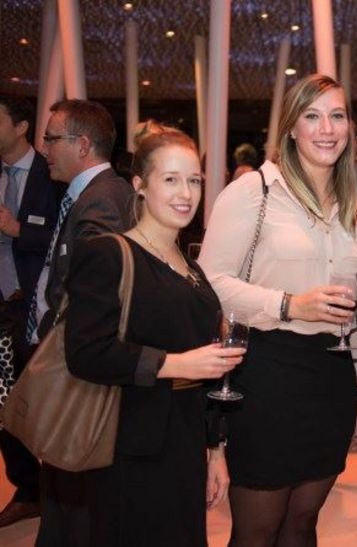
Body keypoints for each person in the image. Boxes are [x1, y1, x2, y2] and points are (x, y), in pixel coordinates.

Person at [198, 74, 357, 546]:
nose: (327, 129)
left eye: (337, 116)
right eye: (312, 116)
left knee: (302, 525)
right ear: (291, 128)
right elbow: (209, 284)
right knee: (257, 530)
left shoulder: (351, 208)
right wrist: (289, 304)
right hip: (266, 376)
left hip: (331, 378)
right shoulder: (254, 191)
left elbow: (351, 310)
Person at [63, 128, 245, 546]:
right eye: (171, 179)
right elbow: (86, 352)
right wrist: (175, 364)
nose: (186, 193)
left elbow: (210, 366)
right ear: (140, 185)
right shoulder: (109, 253)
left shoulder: (190, 266)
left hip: (185, 439)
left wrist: (215, 449)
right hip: (127, 445)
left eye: (194, 180)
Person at [31, 99, 135, 546]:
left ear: (83, 144)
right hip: (70, 352)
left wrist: (51, 329)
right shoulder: (94, 193)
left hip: (75, 359)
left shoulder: (102, 200)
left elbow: (92, 290)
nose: (44, 148)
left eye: (51, 138)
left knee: (73, 488)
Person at [0, 95, 61, 528]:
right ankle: (28, 487)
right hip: (0, 309)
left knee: (43, 404)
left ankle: (58, 492)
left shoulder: (51, 174)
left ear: (20, 127)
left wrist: (17, 229)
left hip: (34, 310)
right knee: (3, 403)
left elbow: (63, 237)